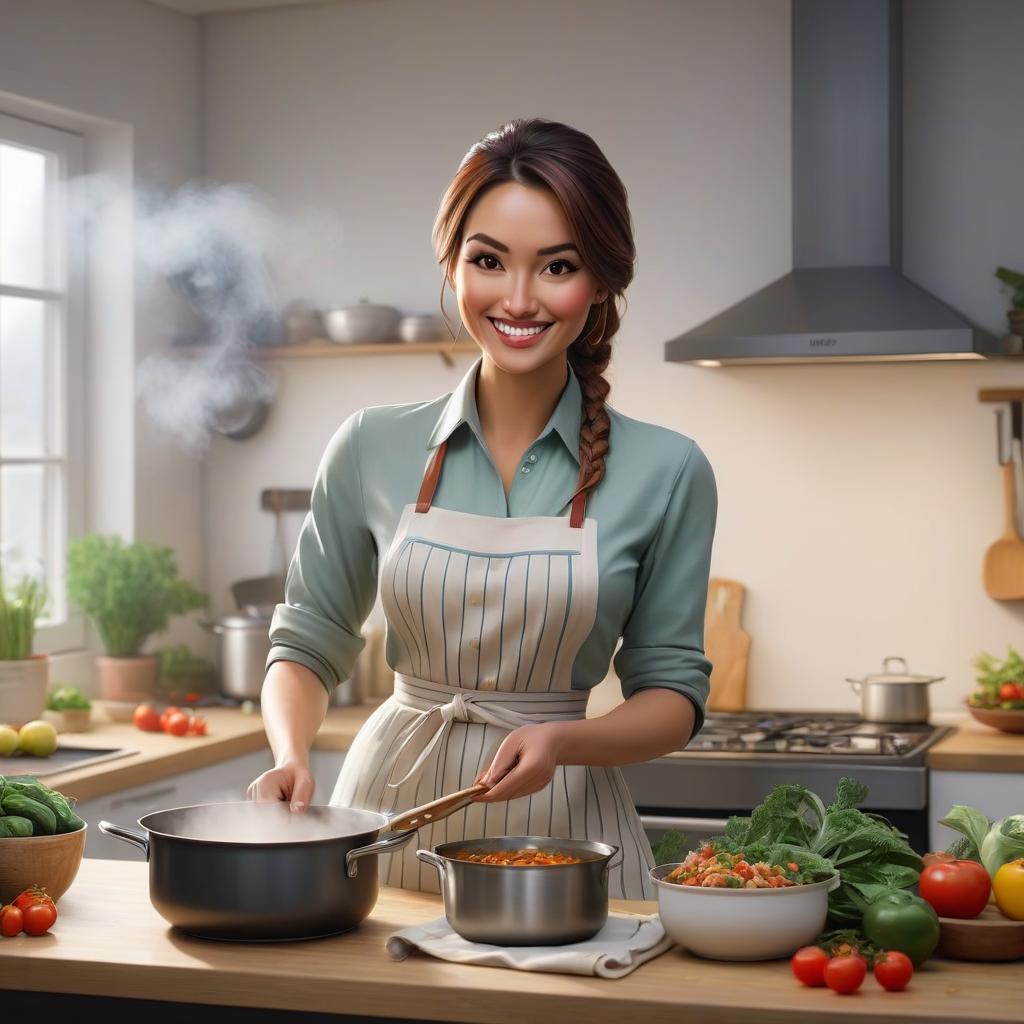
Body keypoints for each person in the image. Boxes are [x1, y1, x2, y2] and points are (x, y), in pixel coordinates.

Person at [247, 118, 717, 899]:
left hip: (563, 831)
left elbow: (672, 695)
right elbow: (306, 639)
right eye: (488, 261)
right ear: (453, 264)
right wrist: (291, 753)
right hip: (383, 821)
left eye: (557, 266)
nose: (519, 298)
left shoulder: (669, 470)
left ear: (599, 281)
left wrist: (563, 740)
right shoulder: (368, 444)